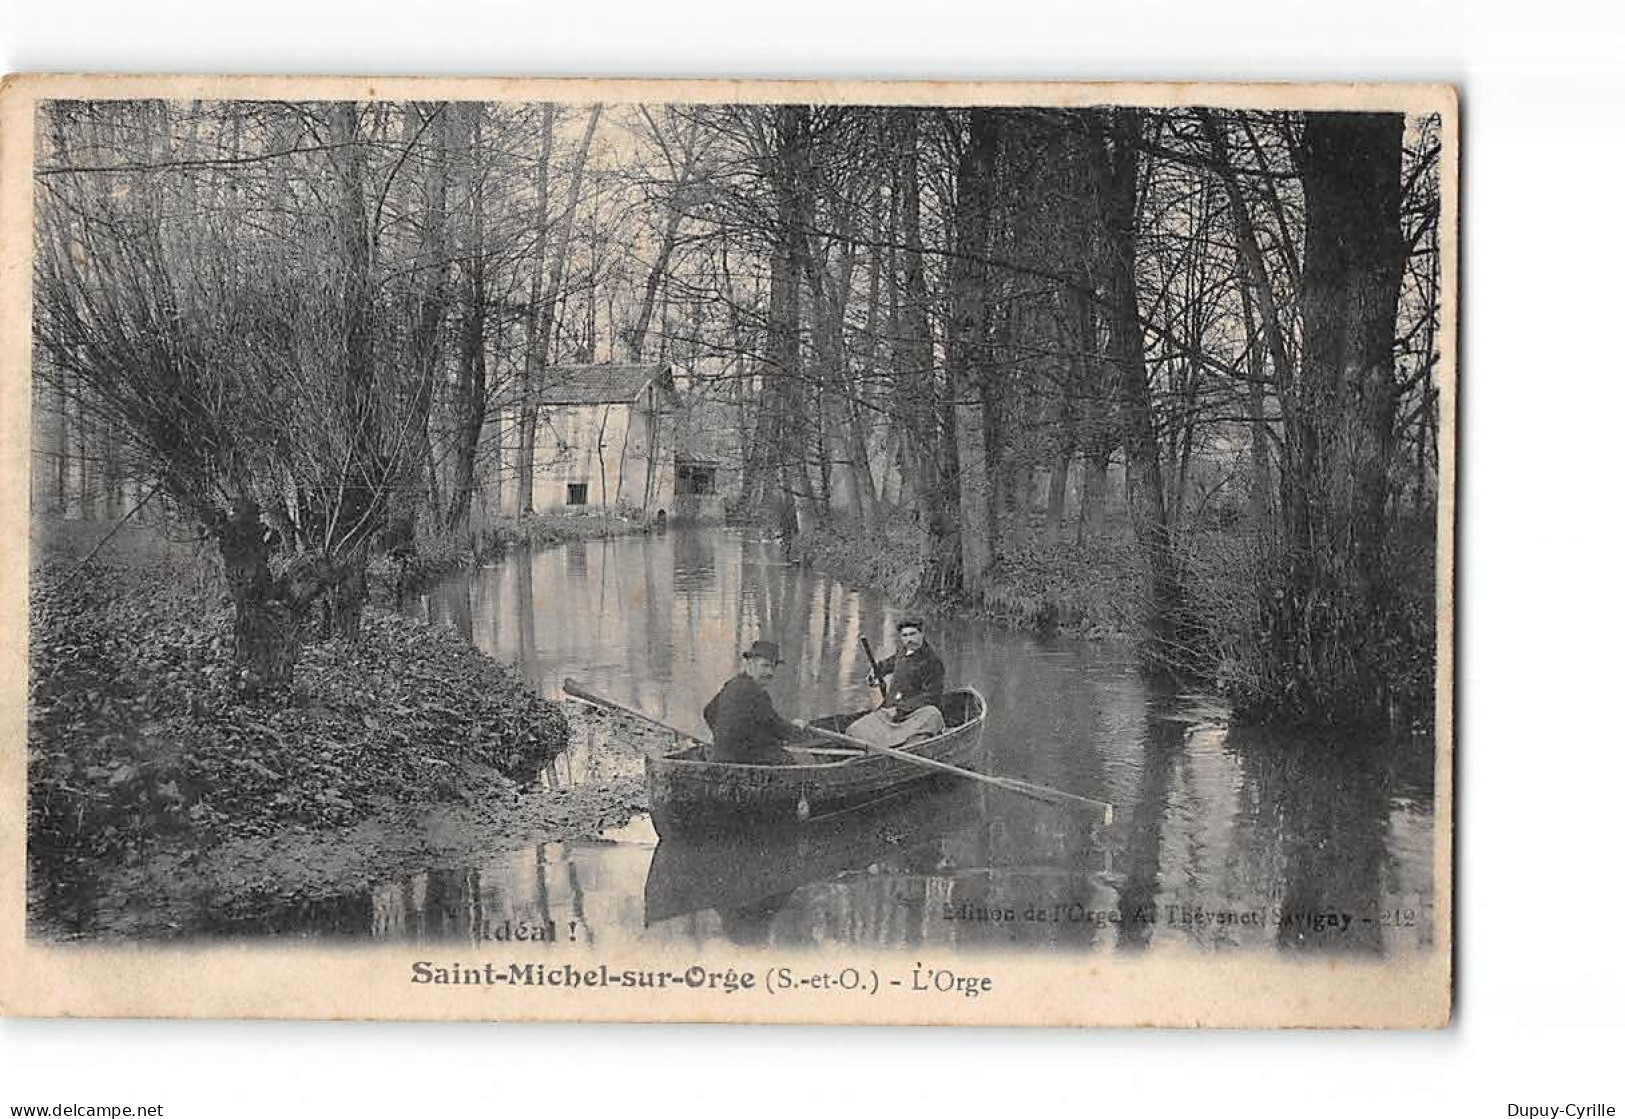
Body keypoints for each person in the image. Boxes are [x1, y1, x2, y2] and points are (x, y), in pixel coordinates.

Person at [702, 640, 806, 765]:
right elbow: (777, 727)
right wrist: (797, 729)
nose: (770, 673)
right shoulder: (755, 693)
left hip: (720, 757)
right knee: (795, 762)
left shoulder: (732, 684)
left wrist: (723, 740)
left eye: (773, 667)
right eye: (765, 666)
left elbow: (708, 711)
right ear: (751, 664)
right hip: (746, 761)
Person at [847, 618, 947, 747]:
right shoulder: (903, 650)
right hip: (891, 709)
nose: (909, 639)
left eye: (913, 634)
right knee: (854, 730)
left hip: (915, 714)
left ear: (922, 634)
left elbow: (932, 697)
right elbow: (892, 662)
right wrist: (876, 671)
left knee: (932, 716)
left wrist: (901, 708)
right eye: (905, 635)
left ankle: (897, 745)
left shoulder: (933, 662)